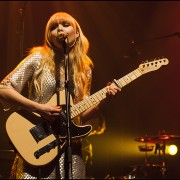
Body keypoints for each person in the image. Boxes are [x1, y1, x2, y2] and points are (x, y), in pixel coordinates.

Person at [0, 12, 121, 179]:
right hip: (37, 145)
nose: (59, 29)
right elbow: (4, 88)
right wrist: (38, 108)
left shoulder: (84, 69)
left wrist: (103, 100)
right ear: (49, 35)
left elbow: (79, 116)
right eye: (53, 27)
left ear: (77, 32)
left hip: (70, 150)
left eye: (65, 24)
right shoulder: (37, 58)